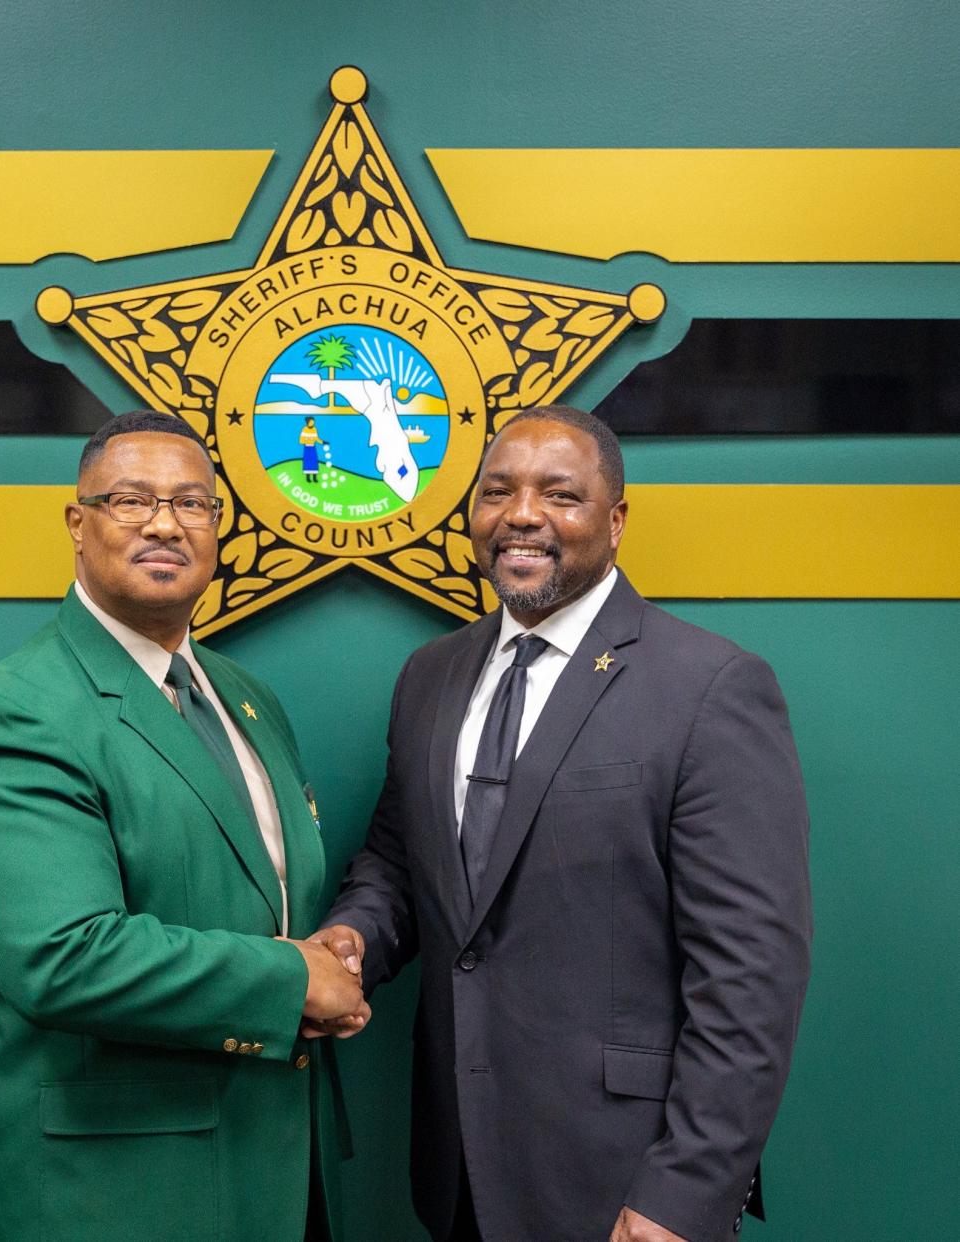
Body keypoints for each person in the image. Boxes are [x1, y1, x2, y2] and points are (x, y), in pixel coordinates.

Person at [313, 406, 812, 1242]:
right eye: (497, 491)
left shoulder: (710, 686)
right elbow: (401, 862)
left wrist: (684, 1193)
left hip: (625, 1183)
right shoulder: (430, 676)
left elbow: (751, 977)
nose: (522, 515)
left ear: (615, 522)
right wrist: (352, 942)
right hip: (460, 1170)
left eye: (561, 495)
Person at [0, 410, 364, 1242]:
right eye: (131, 500)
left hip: (277, 1170)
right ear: (76, 522)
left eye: (192, 503)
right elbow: (60, 958)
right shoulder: (16, 714)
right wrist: (292, 981)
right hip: (121, 1192)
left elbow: (263, 898)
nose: (165, 523)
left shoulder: (245, 696)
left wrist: (327, 953)